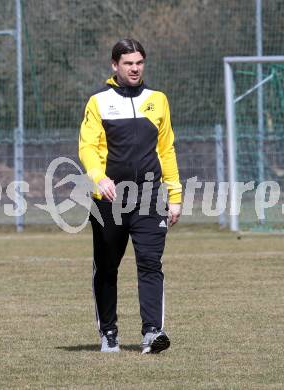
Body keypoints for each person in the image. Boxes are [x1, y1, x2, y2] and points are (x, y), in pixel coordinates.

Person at [79, 38, 182, 354]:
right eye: (128, 63)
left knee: (151, 264)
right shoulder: (99, 102)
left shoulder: (158, 100)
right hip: (109, 200)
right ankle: (108, 333)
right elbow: (88, 147)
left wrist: (175, 193)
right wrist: (99, 179)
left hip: (150, 197)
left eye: (139, 62)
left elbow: (166, 149)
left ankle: (152, 333)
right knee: (107, 267)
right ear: (115, 65)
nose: (135, 68)